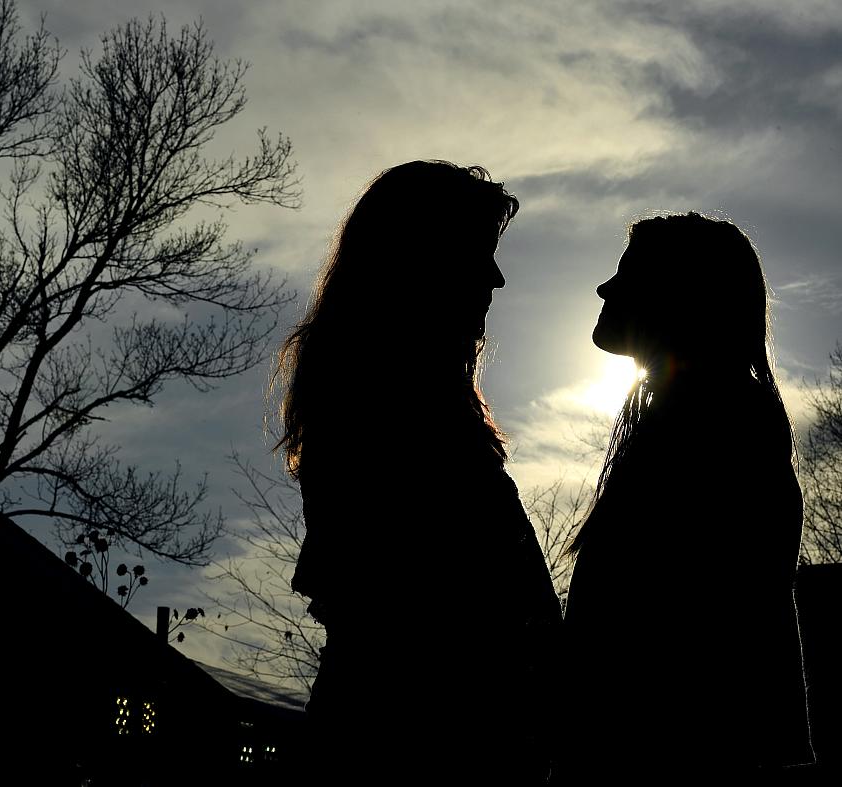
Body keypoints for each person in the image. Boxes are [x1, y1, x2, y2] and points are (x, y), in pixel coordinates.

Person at [271, 160, 561, 782]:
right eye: (477, 254)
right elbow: (425, 609)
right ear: (424, 262)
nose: (496, 278)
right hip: (423, 750)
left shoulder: (397, 406)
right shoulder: (394, 416)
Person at [558, 213, 814, 784]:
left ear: (677, 296)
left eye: (626, 274)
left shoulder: (714, 426)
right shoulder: (700, 417)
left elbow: (682, 631)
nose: (605, 288)